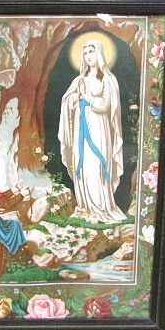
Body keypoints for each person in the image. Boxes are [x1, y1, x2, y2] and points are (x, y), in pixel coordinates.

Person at [58, 39, 127, 224]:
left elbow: (105, 105)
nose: (88, 56)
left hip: (99, 126)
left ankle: (102, 208)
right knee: (82, 164)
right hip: (81, 125)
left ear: (100, 53)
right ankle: (85, 207)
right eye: (85, 53)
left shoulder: (108, 80)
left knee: (96, 164)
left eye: (92, 51)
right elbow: (68, 101)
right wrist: (75, 97)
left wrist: (86, 97)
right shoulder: (79, 80)